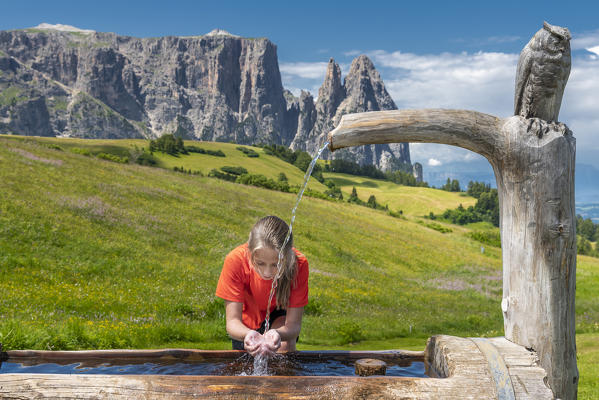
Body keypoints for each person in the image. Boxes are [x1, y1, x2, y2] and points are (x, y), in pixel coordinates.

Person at [215, 215, 309, 357]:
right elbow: (233, 321)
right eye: (260, 263)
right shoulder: (235, 260)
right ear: (250, 252)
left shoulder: (298, 264)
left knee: (284, 345)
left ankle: (285, 379)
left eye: (276, 264)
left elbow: (294, 325)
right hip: (245, 324)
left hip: (278, 315)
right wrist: (247, 334)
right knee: (243, 366)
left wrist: (277, 333)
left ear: (287, 256)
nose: (267, 272)